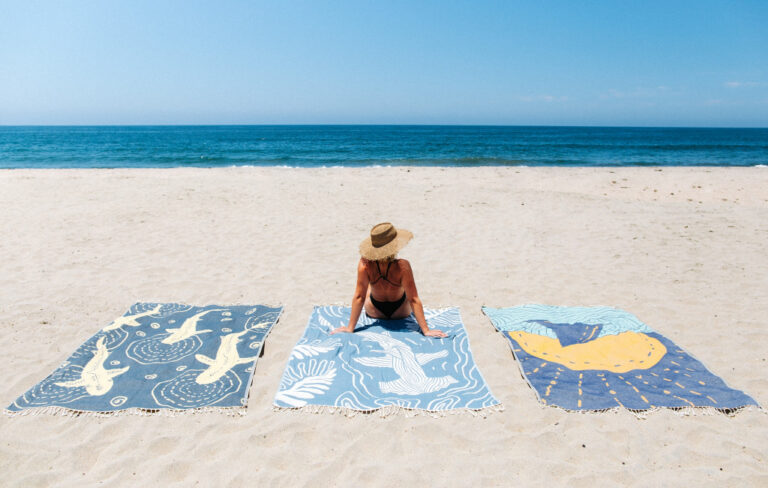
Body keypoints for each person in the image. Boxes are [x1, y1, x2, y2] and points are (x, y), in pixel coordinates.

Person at [331, 222, 447, 338]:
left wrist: (350, 327)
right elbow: (413, 299)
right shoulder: (403, 266)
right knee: (405, 291)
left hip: (374, 311)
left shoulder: (365, 265)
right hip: (400, 312)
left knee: (368, 288)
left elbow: (359, 297)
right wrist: (426, 330)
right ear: (395, 245)